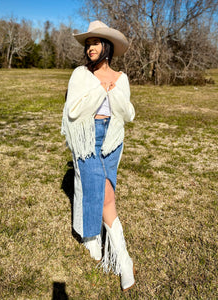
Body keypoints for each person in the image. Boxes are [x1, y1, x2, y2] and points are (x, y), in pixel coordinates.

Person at [61, 20, 135, 291]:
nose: (91, 47)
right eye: (88, 43)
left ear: (108, 47)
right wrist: (99, 91)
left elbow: (128, 114)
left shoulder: (121, 78)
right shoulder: (81, 75)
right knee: (102, 192)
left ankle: (93, 237)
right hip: (87, 137)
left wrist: (114, 94)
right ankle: (123, 260)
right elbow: (73, 111)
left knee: (105, 192)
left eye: (96, 43)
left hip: (112, 138)